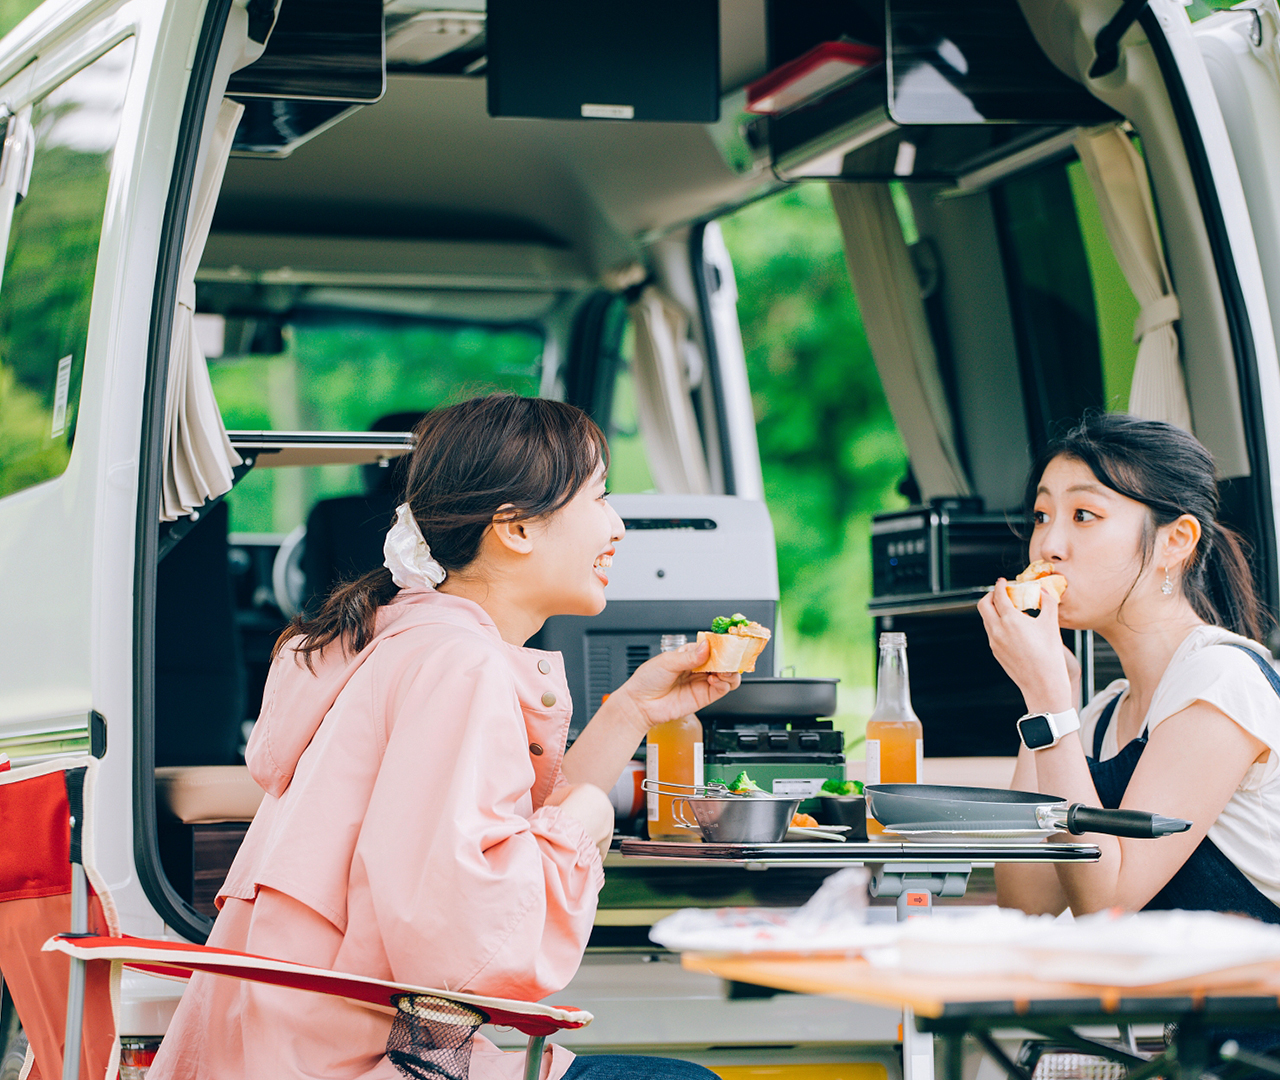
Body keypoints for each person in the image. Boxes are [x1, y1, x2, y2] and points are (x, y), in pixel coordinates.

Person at [150, 394, 737, 1080]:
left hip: (293, 1049)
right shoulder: (461, 666)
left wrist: (631, 711)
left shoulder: (406, 637)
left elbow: (472, 850)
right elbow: (465, 944)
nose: (617, 528)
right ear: (516, 529)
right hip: (360, 1065)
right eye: (600, 498)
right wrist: (588, 820)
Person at [978, 413, 1280, 923]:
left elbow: (1106, 903)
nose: (1048, 545)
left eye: (1083, 516)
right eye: (1041, 516)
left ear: (1175, 542)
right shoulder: (1099, 717)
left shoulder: (1221, 679)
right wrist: (1050, 696)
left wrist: (1050, 703)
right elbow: (1027, 903)